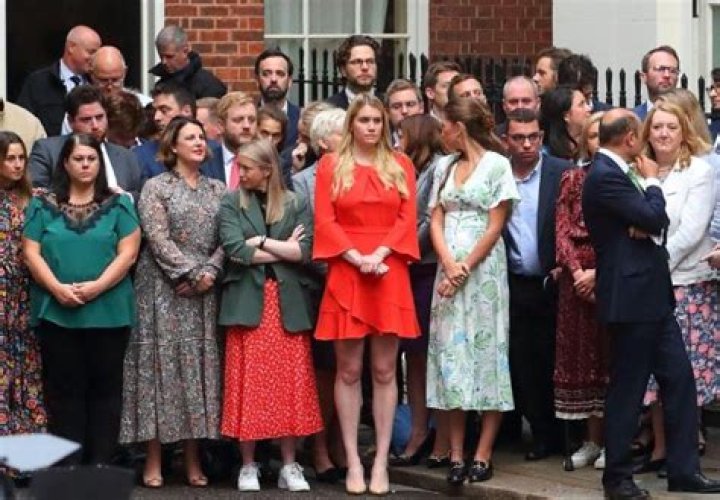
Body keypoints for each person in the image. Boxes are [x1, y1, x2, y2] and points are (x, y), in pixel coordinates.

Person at [582, 108, 720, 497]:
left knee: (680, 381)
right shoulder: (606, 175)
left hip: (652, 296)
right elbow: (656, 218)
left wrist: (647, 218)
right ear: (629, 138)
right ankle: (617, 479)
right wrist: (652, 183)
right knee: (628, 390)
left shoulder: (617, 171)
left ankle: (684, 470)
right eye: (642, 132)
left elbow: (650, 224)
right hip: (631, 299)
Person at [313, 94, 419, 495]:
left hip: (388, 269)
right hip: (347, 268)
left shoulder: (401, 164)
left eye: (377, 120)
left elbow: (408, 217)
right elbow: (325, 219)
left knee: (386, 370)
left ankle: (381, 462)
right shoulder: (331, 165)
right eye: (365, 120)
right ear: (352, 125)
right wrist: (356, 257)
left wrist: (380, 253)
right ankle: (353, 460)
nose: (372, 127)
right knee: (348, 370)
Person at [119, 117, 225, 488]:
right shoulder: (156, 187)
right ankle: (153, 458)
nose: (198, 142)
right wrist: (190, 274)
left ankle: (192, 458)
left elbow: (228, 237)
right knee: (158, 369)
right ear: (173, 146)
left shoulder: (218, 189)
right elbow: (157, 238)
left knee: (196, 371)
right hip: (162, 287)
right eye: (190, 137)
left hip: (204, 290)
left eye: (201, 136)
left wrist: (209, 272)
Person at [23, 133, 141, 465]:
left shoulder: (118, 203)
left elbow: (128, 253)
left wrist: (97, 287)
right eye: (79, 159)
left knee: (105, 389)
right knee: (64, 390)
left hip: (108, 311)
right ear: (65, 163)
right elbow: (31, 252)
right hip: (57, 310)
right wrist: (57, 288)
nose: (86, 165)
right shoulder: (42, 204)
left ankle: (100, 462)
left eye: (91, 159)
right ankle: (69, 465)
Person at [218, 138, 321, 492]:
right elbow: (234, 249)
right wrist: (283, 248)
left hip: (285, 302)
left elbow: (304, 251)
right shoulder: (231, 201)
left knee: (290, 383)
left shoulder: (295, 202)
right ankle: (248, 464)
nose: (241, 172)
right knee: (249, 383)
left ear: (266, 170)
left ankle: (290, 464)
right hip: (248, 302)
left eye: (247, 168)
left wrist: (261, 242)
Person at [427, 96, 519, 485]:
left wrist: (464, 268)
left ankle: (483, 452)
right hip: (447, 270)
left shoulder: (498, 165)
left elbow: (496, 224)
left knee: (487, 354)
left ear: (459, 128)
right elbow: (435, 218)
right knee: (451, 357)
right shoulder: (444, 166)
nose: (441, 133)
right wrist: (448, 263)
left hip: (484, 275)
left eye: (445, 126)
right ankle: (455, 452)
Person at [635, 101, 718, 473]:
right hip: (648, 285)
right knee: (654, 372)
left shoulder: (699, 171)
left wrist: (656, 267)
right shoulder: (639, 170)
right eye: (657, 127)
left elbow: (691, 231)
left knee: (685, 372)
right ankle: (660, 448)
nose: (663, 134)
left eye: (671, 127)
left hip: (686, 282)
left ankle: (686, 447)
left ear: (684, 131)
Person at [502, 109, 573, 462]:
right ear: (506, 141)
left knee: (555, 359)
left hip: (554, 280)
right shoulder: (499, 175)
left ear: (542, 137)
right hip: (515, 282)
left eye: (533, 137)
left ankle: (566, 434)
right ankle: (541, 434)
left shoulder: (562, 172)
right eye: (519, 138)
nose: (527, 144)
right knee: (523, 361)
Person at [390, 114, 451, 467]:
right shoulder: (403, 168)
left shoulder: (439, 168)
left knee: (429, 354)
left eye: (401, 135)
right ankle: (416, 429)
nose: (397, 142)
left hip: (426, 267)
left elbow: (431, 218)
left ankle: (434, 433)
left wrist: (403, 248)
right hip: (405, 270)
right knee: (412, 355)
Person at [293, 107, 346, 482]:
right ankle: (320, 446)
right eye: (344, 132)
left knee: (351, 369)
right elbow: (306, 239)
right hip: (320, 285)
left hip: (356, 283)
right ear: (323, 141)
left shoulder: (362, 172)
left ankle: (342, 442)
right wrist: (338, 272)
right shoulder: (302, 182)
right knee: (325, 370)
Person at [553, 111, 609, 470]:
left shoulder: (626, 180)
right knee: (583, 360)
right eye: (593, 136)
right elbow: (561, 229)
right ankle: (591, 440)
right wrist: (577, 273)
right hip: (575, 283)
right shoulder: (572, 178)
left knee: (611, 359)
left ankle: (614, 441)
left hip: (609, 277)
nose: (599, 143)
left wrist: (598, 274)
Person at [0, 131, 47, 439]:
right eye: (10, 159)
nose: (17, 165)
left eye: (21, 158)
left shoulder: (36, 198)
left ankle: (25, 443)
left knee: (26, 364)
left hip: (25, 292)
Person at [28, 85, 142, 201]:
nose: (95, 126)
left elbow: (141, 194)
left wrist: (126, 197)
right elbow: (35, 192)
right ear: (70, 121)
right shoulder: (47, 151)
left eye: (99, 117)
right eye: (86, 119)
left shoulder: (126, 156)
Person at [17, 25, 102, 136]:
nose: (95, 58)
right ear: (71, 47)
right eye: (91, 52)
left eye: (98, 54)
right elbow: (23, 123)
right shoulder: (38, 82)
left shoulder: (98, 82)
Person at [150, 25, 226, 99]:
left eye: (169, 56)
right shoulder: (161, 84)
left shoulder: (209, 85)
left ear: (185, 51)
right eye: (161, 56)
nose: (164, 62)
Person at [255, 48, 301, 150]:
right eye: (266, 73)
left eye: (280, 73)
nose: (273, 79)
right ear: (257, 80)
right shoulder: (249, 119)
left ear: (289, 81)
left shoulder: (301, 119)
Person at [327, 35, 380, 109]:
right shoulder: (329, 109)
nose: (365, 67)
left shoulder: (388, 106)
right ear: (343, 70)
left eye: (370, 61)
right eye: (357, 62)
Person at [540, 85, 591, 160]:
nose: (589, 108)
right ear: (566, 116)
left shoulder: (592, 144)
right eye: (581, 105)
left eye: (586, 103)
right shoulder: (546, 156)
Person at [633, 45, 680, 121]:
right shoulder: (632, 118)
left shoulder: (689, 118)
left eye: (673, 71)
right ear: (643, 77)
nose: (667, 75)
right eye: (660, 69)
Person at [384, 79, 423, 147]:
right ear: (387, 112)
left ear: (421, 108)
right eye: (397, 106)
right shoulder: (380, 147)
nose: (404, 111)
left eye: (410, 104)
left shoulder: (435, 142)